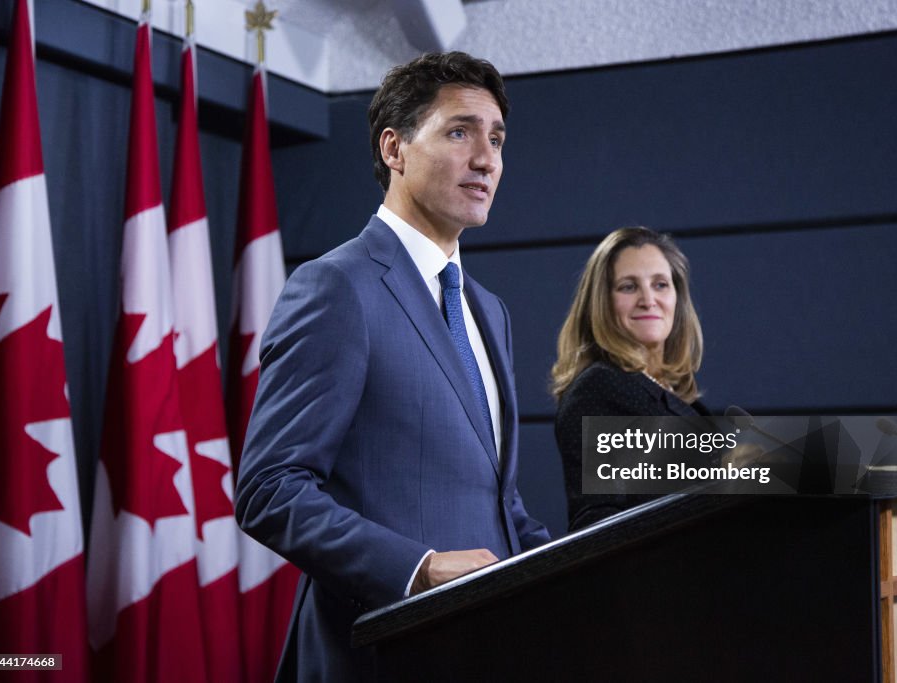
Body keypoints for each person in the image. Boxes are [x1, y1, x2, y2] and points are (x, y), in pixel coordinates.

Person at [233, 52, 550, 682]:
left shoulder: (488, 310)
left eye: (496, 139)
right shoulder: (336, 287)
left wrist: (566, 566)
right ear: (395, 149)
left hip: (483, 649)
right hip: (379, 652)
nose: (486, 159)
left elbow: (497, 501)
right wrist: (420, 566)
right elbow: (269, 488)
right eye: (459, 132)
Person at [551, 227, 708, 531]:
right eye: (628, 287)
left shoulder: (672, 393)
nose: (648, 300)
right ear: (602, 302)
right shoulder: (599, 389)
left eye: (660, 284)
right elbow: (599, 523)